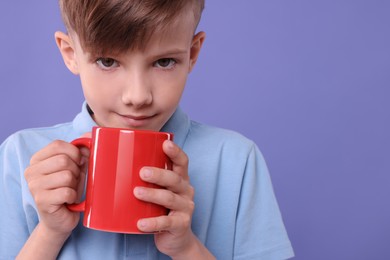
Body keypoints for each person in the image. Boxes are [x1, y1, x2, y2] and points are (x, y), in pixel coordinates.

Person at [0, 1, 294, 259]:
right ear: (70, 53)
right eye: (108, 61)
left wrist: (186, 248)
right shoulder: (20, 156)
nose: (138, 96)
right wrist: (50, 232)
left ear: (192, 54)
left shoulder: (237, 160)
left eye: (164, 62)